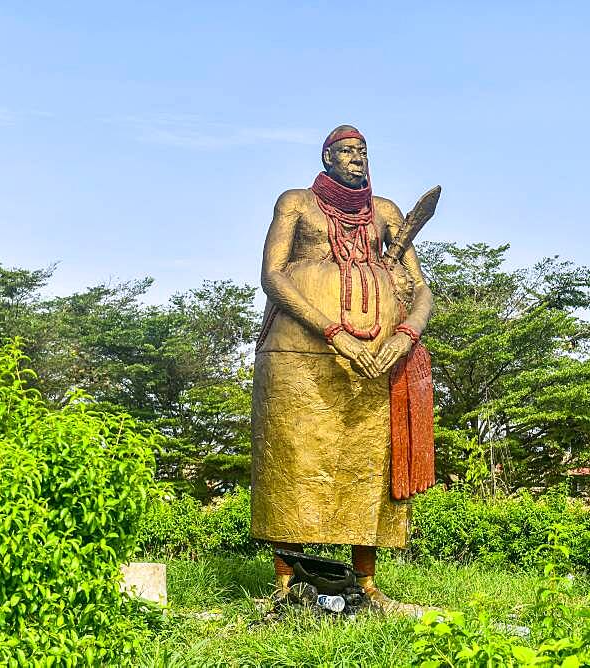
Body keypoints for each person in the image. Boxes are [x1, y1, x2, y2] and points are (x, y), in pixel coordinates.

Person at [250, 125, 434, 612]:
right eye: (347, 151)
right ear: (327, 157)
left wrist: (405, 335)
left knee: (371, 462)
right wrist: (333, 331)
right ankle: (288, 582)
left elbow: (420, 289)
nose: (358, 159)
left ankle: (367, 583)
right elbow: (272, 275)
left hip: (377, 356)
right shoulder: (296, 203)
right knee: (293, 458)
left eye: (363, 151)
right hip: (299, 353)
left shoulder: (387, 213)